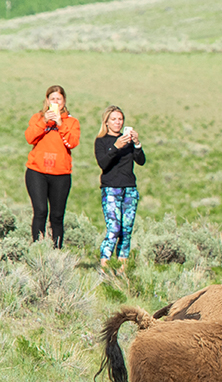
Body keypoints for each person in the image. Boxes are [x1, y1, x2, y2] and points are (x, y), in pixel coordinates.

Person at [24, 84, 81, 248]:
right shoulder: (37, 118)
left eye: (59, 99)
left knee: (57, 215)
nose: (56, 101)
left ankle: (56, 251)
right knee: (40, 211)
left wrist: (60, 124)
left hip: (61, 174)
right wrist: (44, 121)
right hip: (37, 171)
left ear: (64, 101)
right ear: (47, 100)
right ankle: (38, 250)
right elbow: (29, 138)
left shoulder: (71, 122)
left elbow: (72, 142)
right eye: (52, 98)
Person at [95, 105, 146, 267]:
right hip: (111, 188)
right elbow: (103, 164)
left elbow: (141, 161)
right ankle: (105, 266)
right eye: (114, 119)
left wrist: (137, 144)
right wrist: (116, 147)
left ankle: (122, 269)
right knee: (114, 228)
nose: (118, 122)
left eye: (120, 119)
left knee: (126, 230)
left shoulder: (129, 141)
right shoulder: (101, 141)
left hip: (129, 188)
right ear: (107, 122)